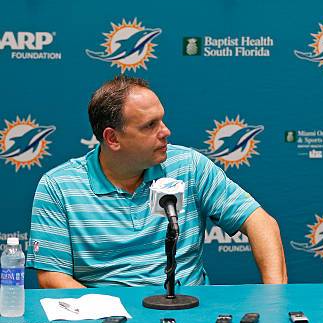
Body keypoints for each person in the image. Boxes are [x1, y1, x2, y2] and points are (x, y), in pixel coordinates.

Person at [27, 76, 287, 288]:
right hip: (106, 322)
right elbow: (52, 277)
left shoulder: (188, 166)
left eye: (161, 119)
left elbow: (260, 222)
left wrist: (274, 298)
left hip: (189, 316)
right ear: (113, 138)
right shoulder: (58, 186)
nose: (165, 131)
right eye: (150, 125)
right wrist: (112, 314)